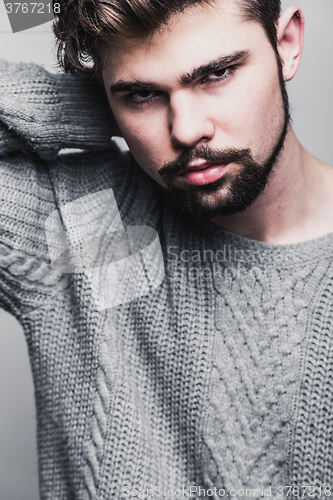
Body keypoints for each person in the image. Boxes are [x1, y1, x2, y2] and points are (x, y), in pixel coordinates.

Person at [0, 0, 333, 498]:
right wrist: (87, 106)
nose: (185, 130)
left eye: (217, 74)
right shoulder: (88, 221)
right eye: (143, 94)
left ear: (286, 44)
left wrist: (128, 101)